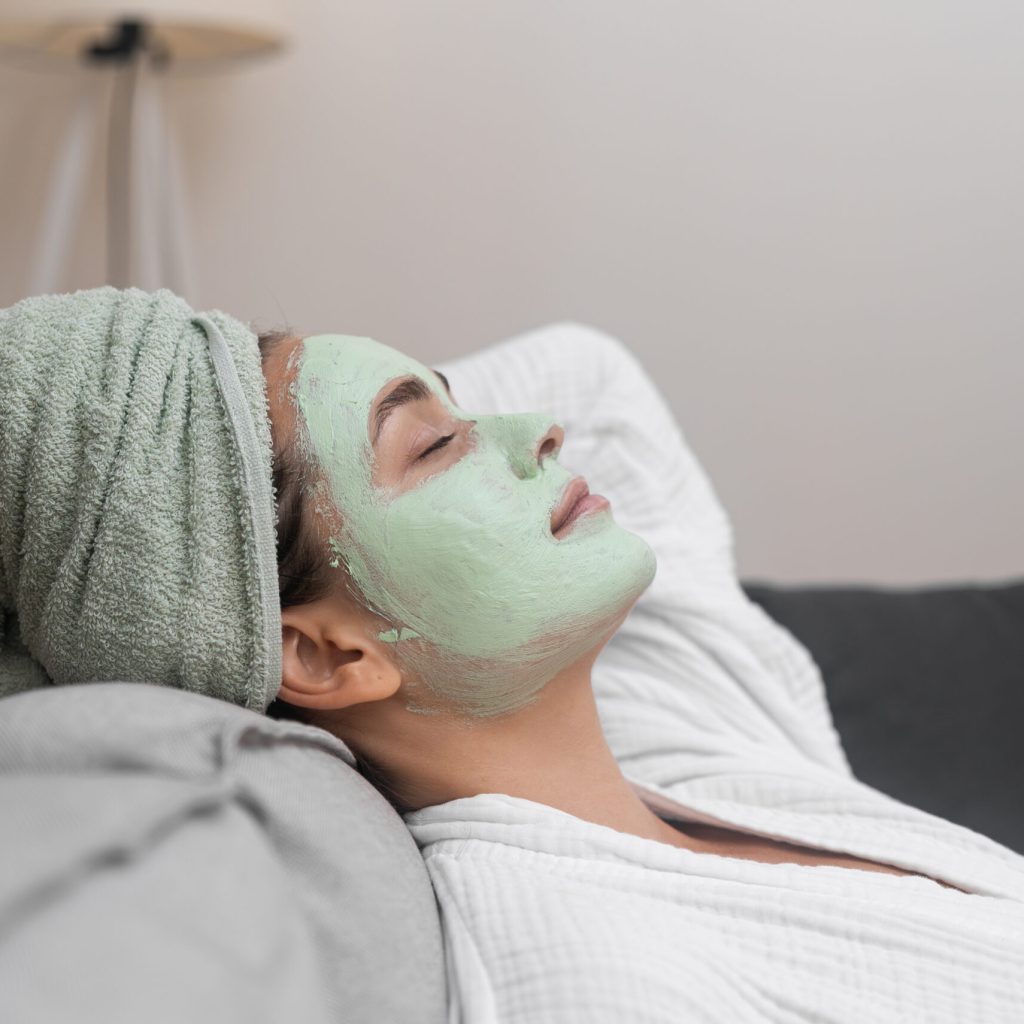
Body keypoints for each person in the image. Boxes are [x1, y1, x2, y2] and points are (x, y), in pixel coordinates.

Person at [2, 288, 1022, 1022]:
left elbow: (591, 368)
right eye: (435, 447)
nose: (538, 432)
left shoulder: (681, 720)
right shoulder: (593, 976)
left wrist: (183, 395)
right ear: (322, 655)